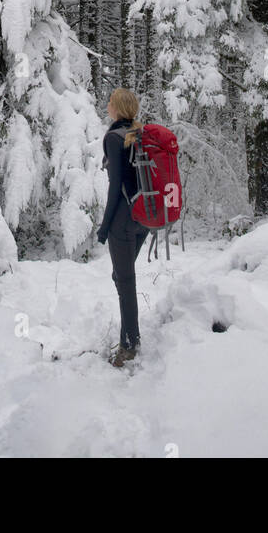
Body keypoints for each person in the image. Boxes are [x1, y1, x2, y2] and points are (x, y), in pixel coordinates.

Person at [96, 87, 149, 367]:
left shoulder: (114, 138)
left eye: (109, 102)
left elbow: (115, 187)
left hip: (123, 221)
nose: (107, 106)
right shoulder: (141, 134)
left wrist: (104, 228)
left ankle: (129, 347)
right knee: (122, 277)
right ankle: (126, 340)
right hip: (145, 219)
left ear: (117, 108)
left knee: (125, 282)